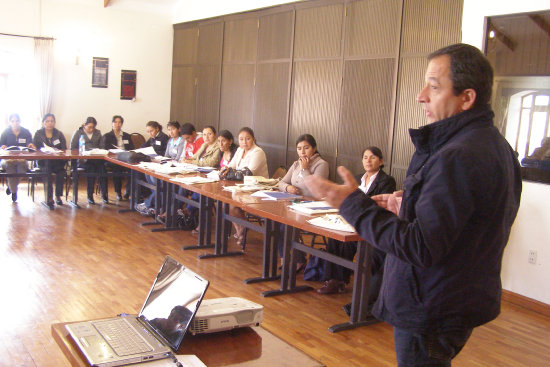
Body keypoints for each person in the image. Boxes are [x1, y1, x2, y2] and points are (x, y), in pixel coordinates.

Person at [304, 43, 522, 366]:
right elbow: (469, 220)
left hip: (434, 303)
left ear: (467, 98)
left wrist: (350, 203)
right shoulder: (495, 145)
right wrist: (410, 206)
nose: (421, 96)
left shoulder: (459, 155)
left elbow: (420, 247)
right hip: (454, 297)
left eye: (433, 87)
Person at [317, 146, 395, 295]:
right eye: (365, 157)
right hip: (351, 220)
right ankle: (334, 280)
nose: (368, 161)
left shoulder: (387, 181)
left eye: (372, 157)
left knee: (350, 243)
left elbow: (380, 205)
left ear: (381, 160)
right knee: (335, 237)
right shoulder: (357, 178)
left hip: (369, 224)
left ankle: (347, 281)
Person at [277, 134, 329, 270]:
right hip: (293, 204)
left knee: (285, 226)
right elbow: (281, 182)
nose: (302, 152)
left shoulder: (321, 164)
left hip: (312, 207)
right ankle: (284, 258)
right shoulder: (296, 164)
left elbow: (315, 188)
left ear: (314, 148)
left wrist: (305, 169)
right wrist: (288, 187)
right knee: (276, 222)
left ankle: (298, 259)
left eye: (306, 148)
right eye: (299, 148)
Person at [220, 127, 269, 248]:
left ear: (253, 139)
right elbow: (231, 166)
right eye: (241, 139)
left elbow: (249, 172)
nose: (244, 142)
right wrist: (225, 170)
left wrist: (233, 172)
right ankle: (241, 229)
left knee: (231, 205)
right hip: (241, 186)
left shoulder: (258, 152)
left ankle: (242, 231)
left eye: (248, 139)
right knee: (224, 204)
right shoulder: (239, 150)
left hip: (256, 188)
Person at [136, 121, 184, 216]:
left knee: (161, 184)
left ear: (178, 129)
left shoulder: (182, 141)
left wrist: (169, 161)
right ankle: (156, 205)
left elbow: (178, 158)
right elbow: (166, 155)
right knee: (149, 175)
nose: (171, 132)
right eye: (169, 130)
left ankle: (149, 204)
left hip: (176, 168)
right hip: (167, 165)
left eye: (173, 129)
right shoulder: (170, 141)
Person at [70, 117, 108, 204]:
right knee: (91, 170)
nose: (91, 129)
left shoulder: (98, 133)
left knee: (102, 170)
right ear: (84, 125)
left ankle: (104, 195)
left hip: (96, 159)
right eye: (89, 127)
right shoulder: (78, 133)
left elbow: (102, 146)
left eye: (93, 127)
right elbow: (72, 148)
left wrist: (97, 151)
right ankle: (90, 196)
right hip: (83, 160)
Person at [33, 113, 67, 206]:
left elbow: (64, 148)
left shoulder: (59, 134)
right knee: (47, 171)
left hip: (57, 162)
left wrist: (57, 151)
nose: (50, 123)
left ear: (55, 122)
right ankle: (49, 197)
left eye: (52, 121)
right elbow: (35, 149)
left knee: (61, 172)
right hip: (43, 162)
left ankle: (58, 196)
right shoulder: (38, 134)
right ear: (43, 123)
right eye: (47, 121)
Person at [0, 113, 36, 202]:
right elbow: (1, 145)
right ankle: (14, 192)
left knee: (21, 171)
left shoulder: (25, 132)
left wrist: (30, 145)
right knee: (9, 167)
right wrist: (2, 146)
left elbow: (29, 143)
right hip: (8, 159)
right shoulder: (5, 132)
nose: (15, 123)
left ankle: (11, 186)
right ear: (9, 122)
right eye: (12, 121)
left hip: (21, 159)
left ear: (20, 121)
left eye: (17, 121)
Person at [102, 115, 134, 200]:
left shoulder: (127, 136)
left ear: (122, 124)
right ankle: (118, 192)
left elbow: (131, 148)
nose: (117, 124)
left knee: (134, 169)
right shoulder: (107, 136)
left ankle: (128, 191)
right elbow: (105, 149)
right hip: (113, 159)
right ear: (112, 124)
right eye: (115, 122)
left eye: (119, 122)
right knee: (117, 169)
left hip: (126, 158)